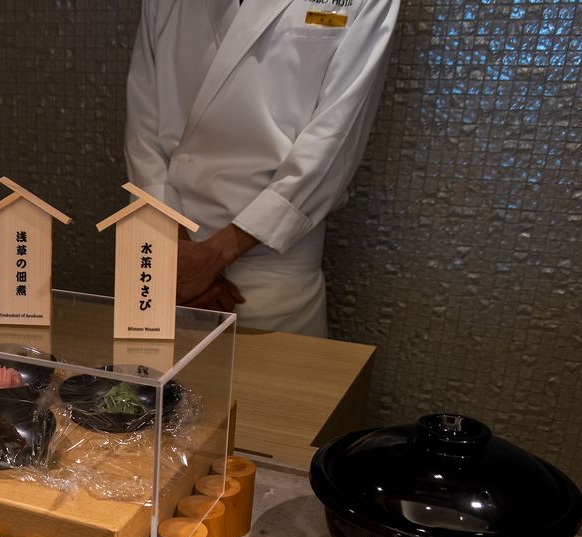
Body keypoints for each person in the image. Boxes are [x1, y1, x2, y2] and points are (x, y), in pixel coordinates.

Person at [125, 0, 400, 336]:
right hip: (168, 261)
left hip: (271, 272)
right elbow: (142, 128)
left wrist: (214, 256)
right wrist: (177, 256)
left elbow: (335, 141)